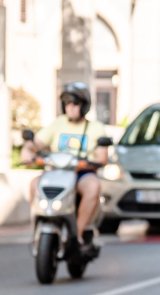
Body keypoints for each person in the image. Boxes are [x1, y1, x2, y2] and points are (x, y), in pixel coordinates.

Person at [21, 83, 109, 257]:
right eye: (67, 104)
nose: (70, 108)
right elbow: (35, 144)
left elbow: (101, 156)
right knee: (34, 184)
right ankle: (37, 230)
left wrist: (90, 162)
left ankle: (79, 233)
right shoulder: (58, 124)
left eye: (74, 103)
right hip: (56, 172)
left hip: (81, 172)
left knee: (93, 186)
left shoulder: (95, 128)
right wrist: (27, 151)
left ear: (83, 106)